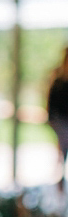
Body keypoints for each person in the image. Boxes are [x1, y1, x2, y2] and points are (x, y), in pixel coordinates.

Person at [46, 47, 68, 182]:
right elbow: (51, 100)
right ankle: (58, 182)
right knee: (61, 154)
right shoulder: (58, 78)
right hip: (61, 121)